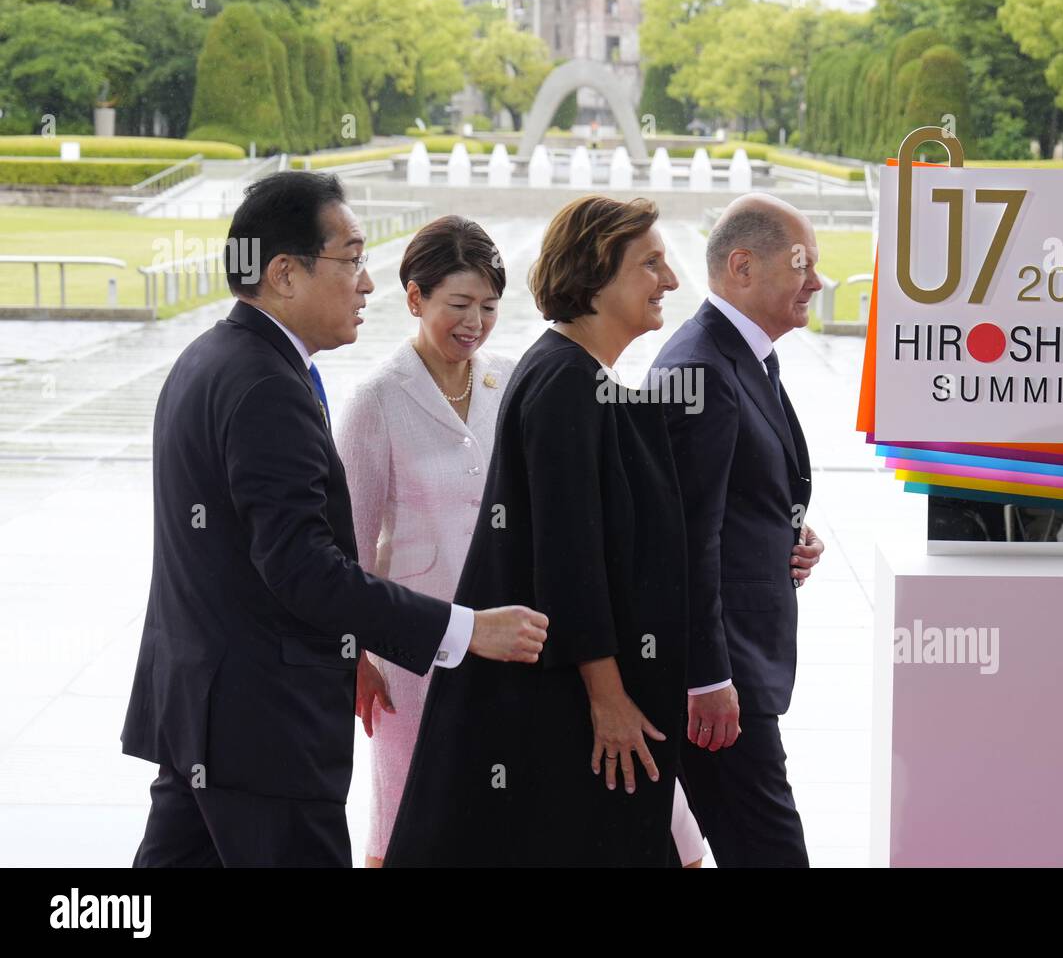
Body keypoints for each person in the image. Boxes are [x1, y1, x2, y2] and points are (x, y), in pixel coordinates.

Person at [120, 172, 547, 868]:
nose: (369, 283)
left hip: (204, 714)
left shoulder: (210, 360)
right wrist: (466, 630)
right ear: (284, 274)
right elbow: (303, 567)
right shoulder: (265, 387)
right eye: (351, 259)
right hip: (264, 730)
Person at [383, 195, 692, 867]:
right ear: (596, 275)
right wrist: (608, 698)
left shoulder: (574, 374)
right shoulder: (563, 384)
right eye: (651, 264)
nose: (668, 281)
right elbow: (569, 556)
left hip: (555, 702)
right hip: (557, 711)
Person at [651, 192, 826, 867]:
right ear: (744, 266)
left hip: (741, 664)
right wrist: (706, 678)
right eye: (802, 264)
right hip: (719, 680)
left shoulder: (739, 356)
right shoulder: (698, 367)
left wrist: (787, 530)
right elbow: (681, 542)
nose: (816, 281)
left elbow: (730, 499)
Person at [336, 215, 516, 867]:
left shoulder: (511, 383)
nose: (475, 323)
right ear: (415, 299)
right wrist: (355, 658)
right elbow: (347, 547)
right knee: (403, 823)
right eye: (459, 305)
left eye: (490, 307)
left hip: (504, 648)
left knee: (497, 824)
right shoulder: (375, 401)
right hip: (410, 657)